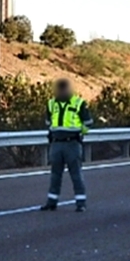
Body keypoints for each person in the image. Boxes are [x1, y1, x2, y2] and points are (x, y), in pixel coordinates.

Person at [40, 79, 93, 212]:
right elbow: (48, 122)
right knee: (55, 175)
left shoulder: (79, 103)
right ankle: (52, 202)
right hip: (56, 143)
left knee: (75, 174)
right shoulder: (51, 103)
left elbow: (88, 122)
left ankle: (81, 203)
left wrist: (79, 131)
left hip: (72, 143)